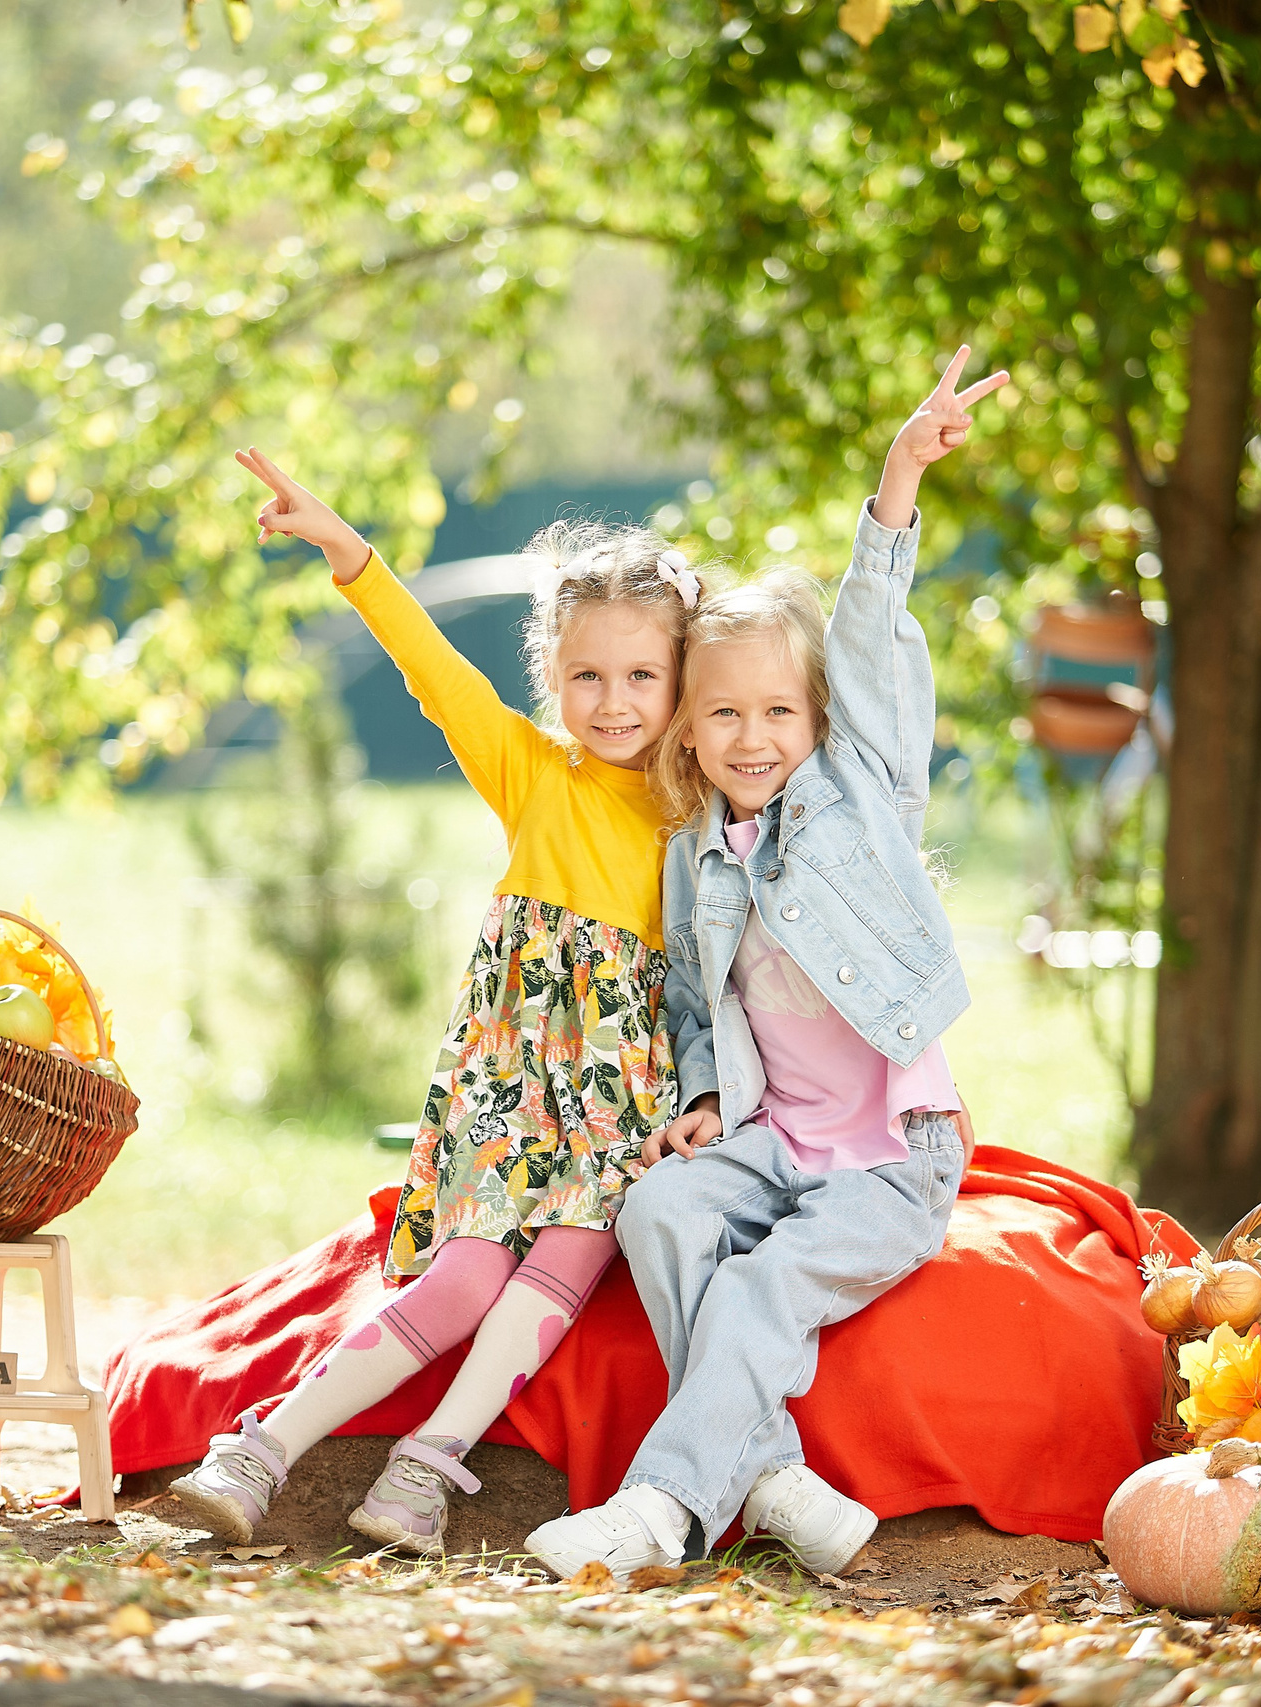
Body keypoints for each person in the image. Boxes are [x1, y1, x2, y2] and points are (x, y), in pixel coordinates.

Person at [526, 347, 1009, 1578]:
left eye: (779, 712)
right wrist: (699, 1097)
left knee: (756, 1290)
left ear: (820, 722)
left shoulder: (860, 792)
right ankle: (780, 1485)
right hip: (776, 1137)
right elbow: (698, 1000)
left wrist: (899, 479)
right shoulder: (697, 854)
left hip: (893, 1157)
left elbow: (867, 633)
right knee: (661, 1207)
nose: (753, 738)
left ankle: (656, 1514)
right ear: (688, 728)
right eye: (724, 714)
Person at [168, 447, 694, 1554]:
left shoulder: (698, 817)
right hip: (507, 1084)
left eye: (641, 677)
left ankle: (425, 1468)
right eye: (587, 677)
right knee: (462, 1280)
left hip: (620, 1103)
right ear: (553, 677)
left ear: (681, 680)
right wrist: (347, 551)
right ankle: (262, 1449)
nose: (612, 702)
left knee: (568, 1258)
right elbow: (432, 667)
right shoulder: (534, 775)